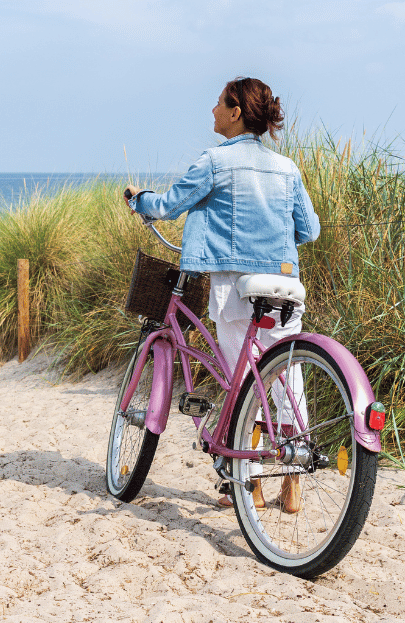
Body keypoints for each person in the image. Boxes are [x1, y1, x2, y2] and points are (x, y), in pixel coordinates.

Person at [123, 77, 320, 514]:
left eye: (218, 104)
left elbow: (170, 204)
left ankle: (246, 484)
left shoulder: (215, 162)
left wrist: (139, 200)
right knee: (286, 376)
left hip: (236, 286)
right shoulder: (287, 169)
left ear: (235, 113)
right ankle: (292, 481)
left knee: (242, 379)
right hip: (285, 284)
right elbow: (310, 229)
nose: (212, 110)